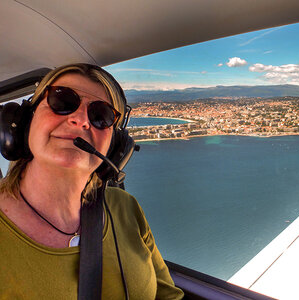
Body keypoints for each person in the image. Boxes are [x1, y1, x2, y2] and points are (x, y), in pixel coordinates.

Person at [0, 63, 184, 299]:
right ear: (25, 120)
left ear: (115, 147)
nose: (81, 120)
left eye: (101, 116)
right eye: (62, 102)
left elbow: (169, 296)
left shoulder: (125, 208)